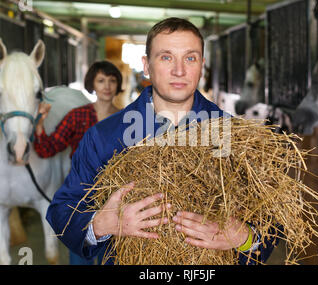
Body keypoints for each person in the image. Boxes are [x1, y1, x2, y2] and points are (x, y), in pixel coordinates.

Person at [46, 17, 278, 265]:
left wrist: (243, 237)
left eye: (190, 58)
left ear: (202, 65)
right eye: (166, 57)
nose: (179, 70)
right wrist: (100, 224)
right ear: (146, 66)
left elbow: (271, 220)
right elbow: (63, 210)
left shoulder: (236, 136)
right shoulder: (104, 136)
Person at [33, 60, 123, 264]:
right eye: (101, 81)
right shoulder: (77, 116)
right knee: (80, 252)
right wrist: (39, 124)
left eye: (112, 80)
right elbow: (49, 148)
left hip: (115, 195)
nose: (107, 86)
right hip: (80, 194)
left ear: (118, 85)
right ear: (92, 84)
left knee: (113, 255)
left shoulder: (125, 118)